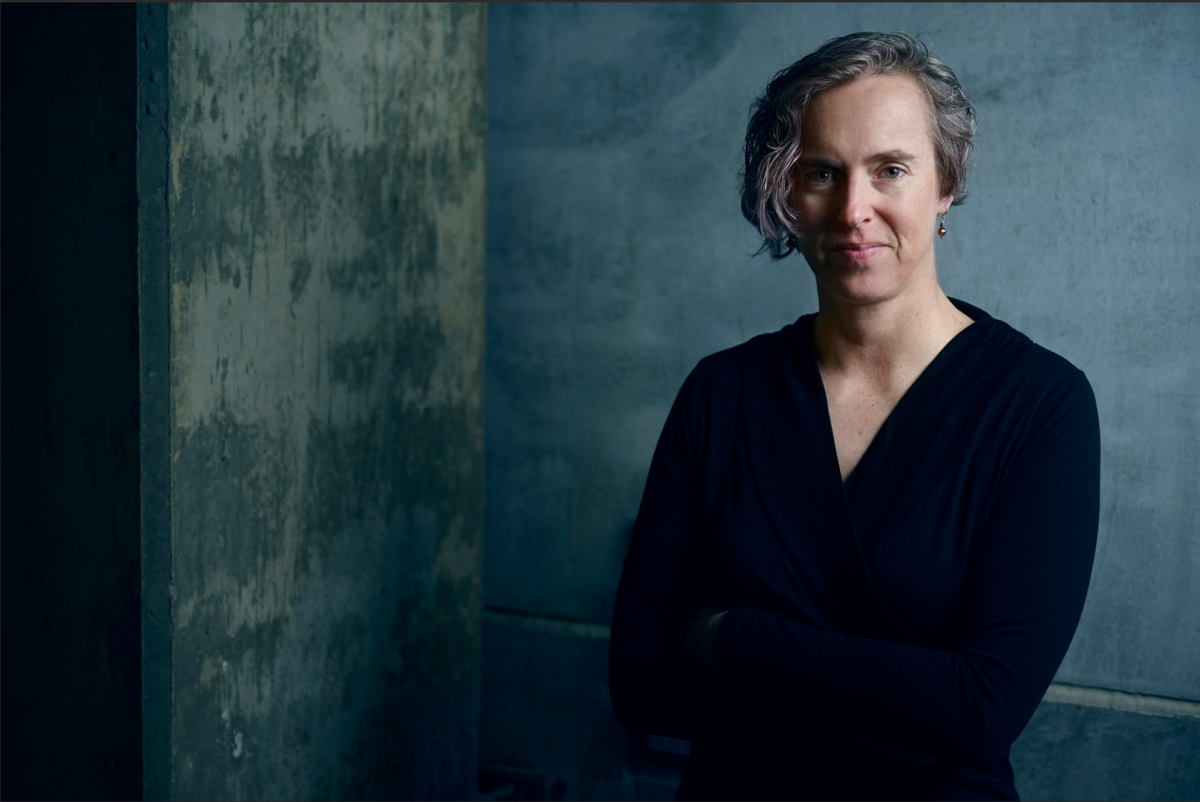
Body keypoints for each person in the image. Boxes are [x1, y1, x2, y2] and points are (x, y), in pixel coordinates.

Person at [608, 31, 1100, 801]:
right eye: (820, 173)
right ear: (786, 195)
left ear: (946, 183)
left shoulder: (1041, 405)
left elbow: (978, 713)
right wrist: (895, 704)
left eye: (890, 170)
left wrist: (730, 634)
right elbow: (639, 682)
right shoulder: (721, 393)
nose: (853, 209)